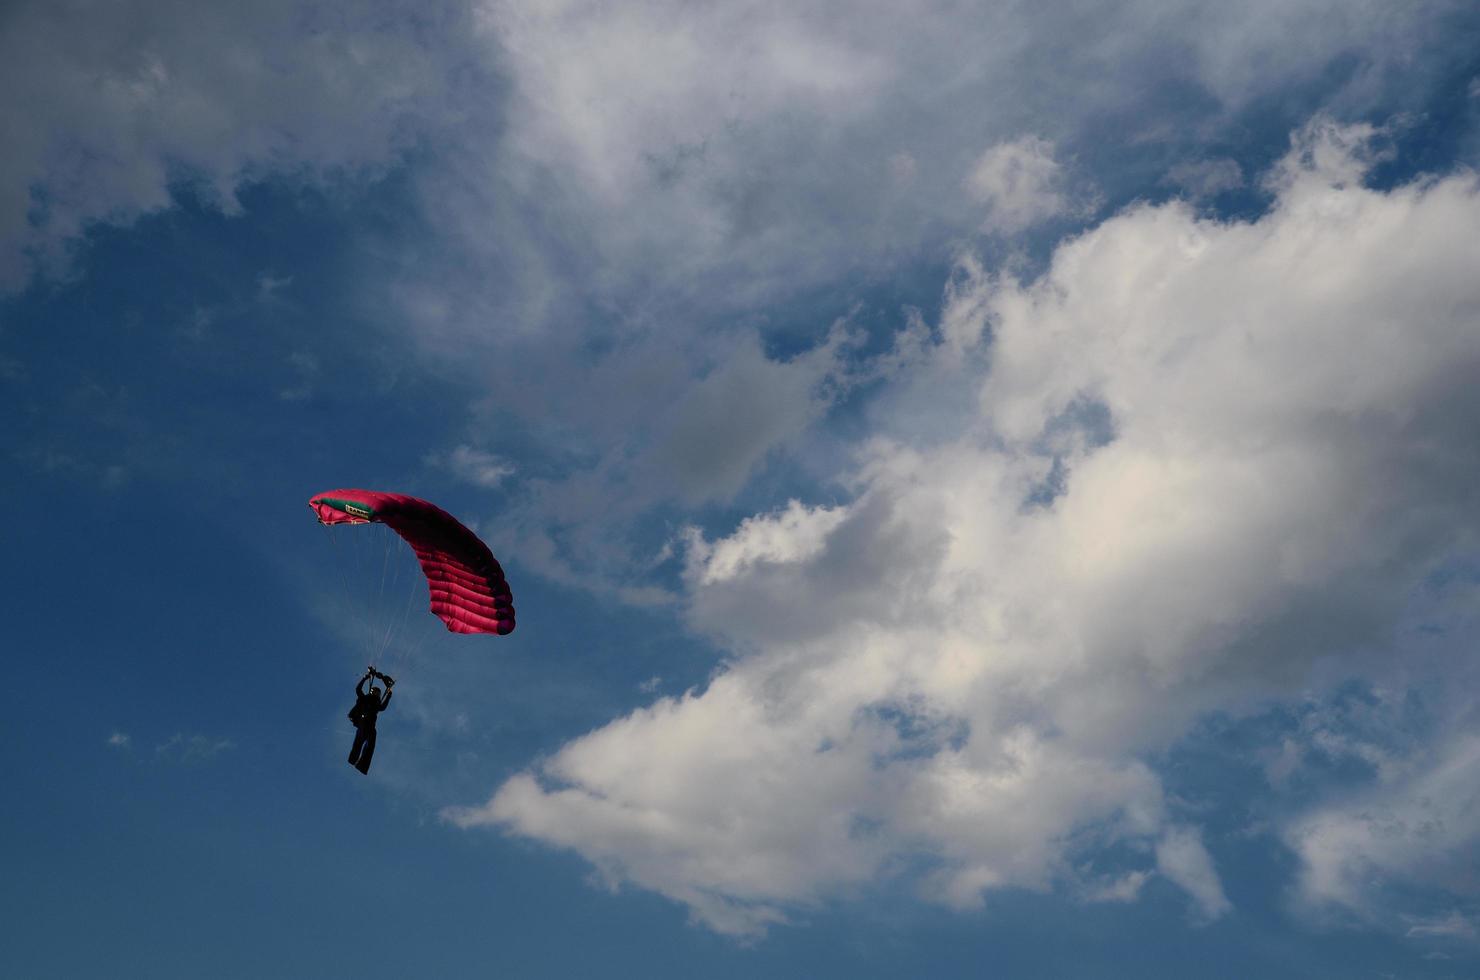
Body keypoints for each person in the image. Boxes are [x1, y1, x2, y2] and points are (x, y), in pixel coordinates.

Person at [347, 667, 394, 775]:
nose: (376, 694)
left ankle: (361, 764)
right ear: (372, 692)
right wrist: (364, 678)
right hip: (364, 722)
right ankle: (354, 760)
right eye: (375, 692)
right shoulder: (366, 699)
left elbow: (383, 707)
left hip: (370, 726)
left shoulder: (377, 704)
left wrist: (389, 695)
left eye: (377, 692)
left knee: (369, 745)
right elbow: (358, 690)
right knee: (359, 743)